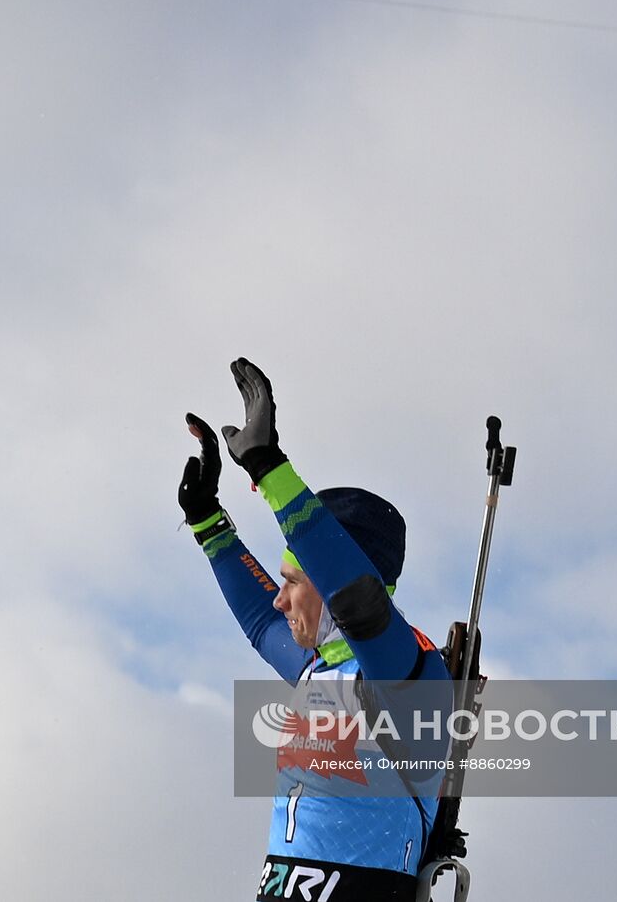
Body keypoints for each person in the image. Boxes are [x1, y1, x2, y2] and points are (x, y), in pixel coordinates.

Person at [181, 358, 451, 901]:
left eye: (294, 582)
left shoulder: (407, 672)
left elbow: (361, 604)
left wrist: (269, 470)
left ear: (332, 582)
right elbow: (260, 621)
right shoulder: (320, 669)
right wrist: (208, 521)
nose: (281, 598)